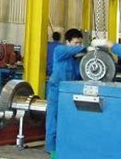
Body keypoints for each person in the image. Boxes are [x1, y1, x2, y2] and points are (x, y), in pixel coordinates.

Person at [46, 28, 85, 157]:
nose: (78, 45)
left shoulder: (74, 58)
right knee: (53, 119)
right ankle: (52, 149)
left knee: (66, 119)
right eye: (75, 43)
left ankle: (65, 146)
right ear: (67, 42)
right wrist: (86, 47)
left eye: (80, 43)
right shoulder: (60, 50)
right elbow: (75, 50)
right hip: (56, 90)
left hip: (69, 92)